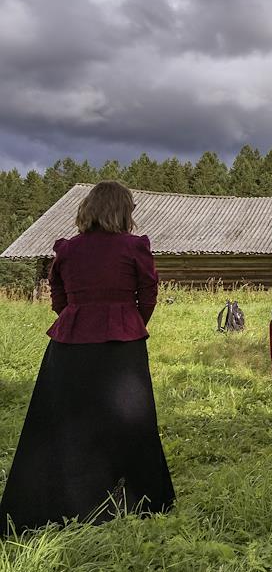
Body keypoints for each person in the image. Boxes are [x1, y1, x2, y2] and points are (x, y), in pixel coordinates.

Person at [0, 181, 174, 533]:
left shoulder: (68, 249)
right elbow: (149, 293)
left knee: (64, 421)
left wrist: (76, 318)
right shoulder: (134, 246)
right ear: (124, 211)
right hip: (122, 344)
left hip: (70, 343)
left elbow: (58, 296)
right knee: (129, 420)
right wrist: (131, 321)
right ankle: (133, 496)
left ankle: (60, 497)